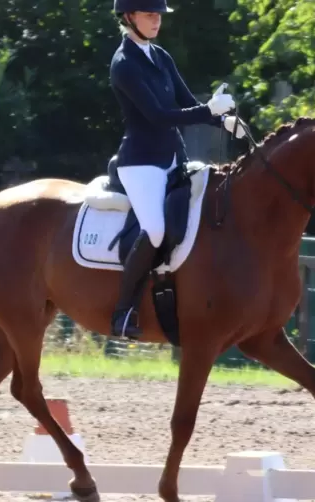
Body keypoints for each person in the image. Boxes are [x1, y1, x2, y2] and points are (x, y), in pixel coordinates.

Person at [108, 0, 246, 339]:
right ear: (129, 17)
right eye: (150, 15)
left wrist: (223, 121)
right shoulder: (124, 64)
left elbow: (185, 102)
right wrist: (208, 111)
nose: (157, 21)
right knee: (154, 230)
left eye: (158, 16)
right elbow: (157, 115)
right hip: (141, 163)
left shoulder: (160, 56)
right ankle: (123, 311)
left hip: (173, 157)